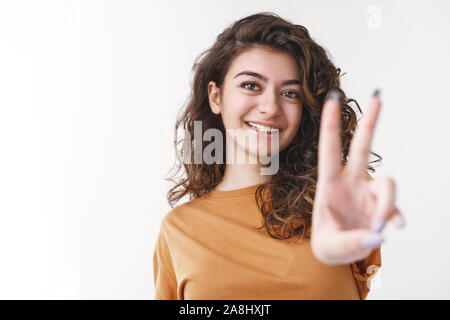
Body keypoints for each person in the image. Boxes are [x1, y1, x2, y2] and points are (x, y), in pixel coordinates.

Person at [153, 12, 405, 300]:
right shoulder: (179, 230)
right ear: (216, 97)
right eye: (251, 85)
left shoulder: (333, 197)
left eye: (290, 93)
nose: (270, 107)